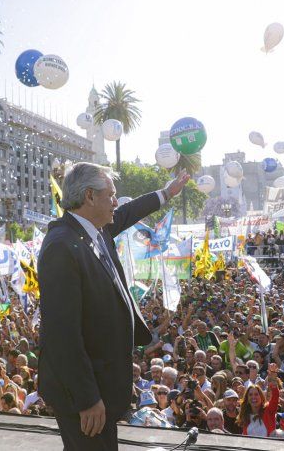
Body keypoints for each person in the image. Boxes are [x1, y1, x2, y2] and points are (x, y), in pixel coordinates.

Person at [38, 162, 189, 450]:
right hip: (81, 394)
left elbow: (128, 213)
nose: (116, 203)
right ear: (89, 196)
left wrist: (167, 193)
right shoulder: (62, 245)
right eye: (111, 195)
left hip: (100, 384)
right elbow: (62, 336)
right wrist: (87, 399)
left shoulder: (95, 228)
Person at [236, 363, 281, 436]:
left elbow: (275, 396)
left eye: (256, 394)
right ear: (247, 398)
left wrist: (273, 379)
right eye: (250, 395)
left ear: (261, 397)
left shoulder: (269, 410)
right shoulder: (245, 414)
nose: (253, 397)